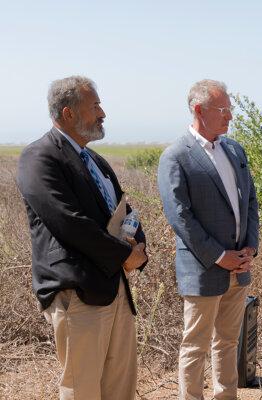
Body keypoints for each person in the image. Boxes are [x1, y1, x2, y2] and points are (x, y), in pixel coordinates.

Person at [16, 76, 148, 399]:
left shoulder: (97, 162)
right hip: (78, 294)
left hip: (115, 289)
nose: (103, 112)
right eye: (95, 106)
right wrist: (122, 255)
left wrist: (139, 248)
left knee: (121, 391)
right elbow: (69, 223)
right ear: (69, 113)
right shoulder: (39, 158)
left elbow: (124, 211)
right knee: (82, 391)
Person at [157, 79, 259, 400]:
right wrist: (219, 256)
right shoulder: (176, 156)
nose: (230, 116)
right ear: (198, 110)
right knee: (195, 346)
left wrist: (250, 246)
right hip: (203, 269)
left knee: (228, 342)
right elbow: (180, 218)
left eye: (230, 108)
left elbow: (251, 200)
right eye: (223, 109)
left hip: (239, 267)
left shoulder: (234, 149)